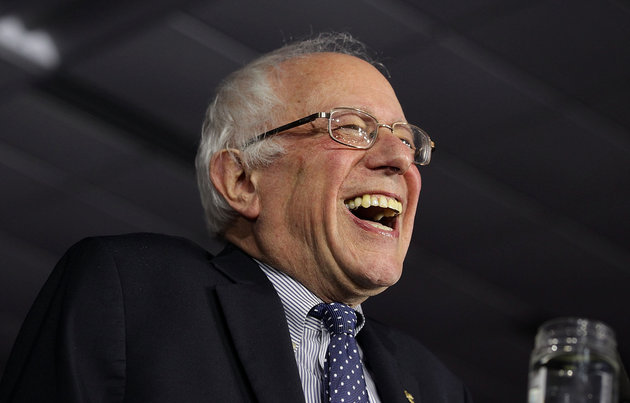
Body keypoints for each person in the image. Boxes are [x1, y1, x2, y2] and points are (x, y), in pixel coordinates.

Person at [0, 33, 472, 403]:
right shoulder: (135, 293)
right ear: (241, 180)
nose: (399, 160)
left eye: (408, 141)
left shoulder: (435, 386)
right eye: (351, 127)